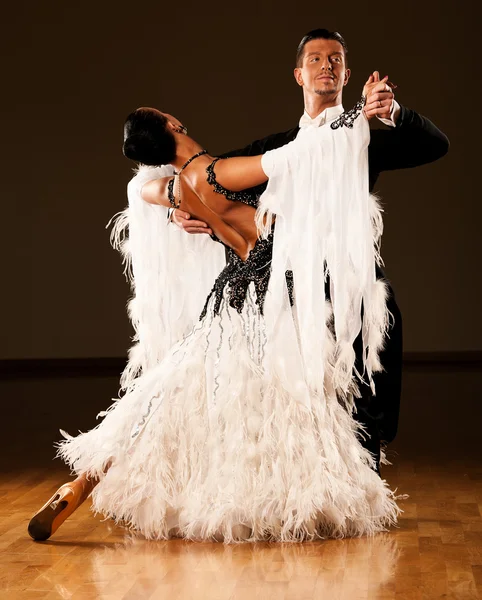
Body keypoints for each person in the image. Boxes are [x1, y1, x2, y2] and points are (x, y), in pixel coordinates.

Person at [28, 86, 403, 543]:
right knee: (285, 405)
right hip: (274, 298)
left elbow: (142, 189)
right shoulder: (217, 172)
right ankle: (283, 498)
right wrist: (357, 115)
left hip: (230, 299)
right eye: (168, 114)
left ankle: (80, 483)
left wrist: (175, 214)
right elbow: (296, 155)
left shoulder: (177, 188)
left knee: (167, 395)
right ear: (173, 127)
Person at [171, 29, 450, 471]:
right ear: (299, 75)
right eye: (316, 59)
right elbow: (212, 182)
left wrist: (392, 110)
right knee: (293, 395)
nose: (327, 65)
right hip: (290, 290)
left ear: (346, 74)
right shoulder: (277, 149)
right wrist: (180, 211)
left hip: (352, 282)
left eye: (336, 59)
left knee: (366, 374)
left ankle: (363, 481)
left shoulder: (363, 141)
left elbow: (435, 145)